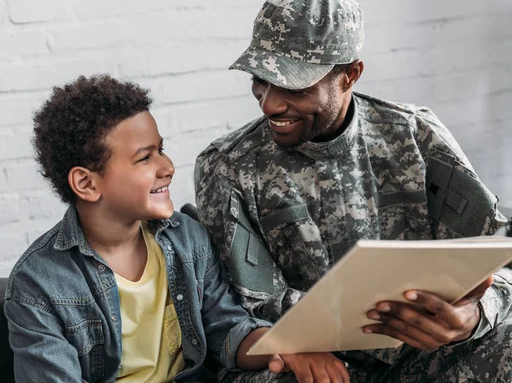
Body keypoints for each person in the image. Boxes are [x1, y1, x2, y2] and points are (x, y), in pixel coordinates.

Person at [194, 0, 512, 382]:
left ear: (350, 76)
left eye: (295, 86)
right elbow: (238, 310)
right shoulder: (227, 166)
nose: (271, 103)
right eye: (261, 79)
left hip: (421, 358)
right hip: (313, 363)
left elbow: (509, 257)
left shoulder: (415, 135)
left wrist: (472, 316)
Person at [3, 75, 351, 383]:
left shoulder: (187, 237)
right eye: (145, 158)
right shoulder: (39, 283)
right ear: (86, 183)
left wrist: (288, 348)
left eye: (162, 150)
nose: (167, 167)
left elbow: (227, 330)